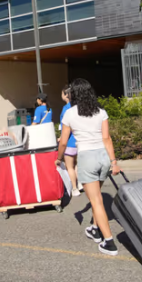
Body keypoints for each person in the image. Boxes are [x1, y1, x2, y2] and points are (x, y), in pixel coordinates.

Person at [57, 78, 121, 256]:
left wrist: (59, 158)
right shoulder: (101, 112)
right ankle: (94, 228)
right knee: (97, 196)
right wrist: (114, 162)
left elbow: (63, 142)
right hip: (103, 157)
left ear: (74, 93)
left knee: (96, 201)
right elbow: (107, 139)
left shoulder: (70, 113)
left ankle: (109, 242)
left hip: (87, 157)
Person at [59, 85, 82, 197]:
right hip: (80, 141)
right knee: (77, 164)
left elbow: (65, 127)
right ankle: (80, 183)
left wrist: (61, 138)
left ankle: (74, 188)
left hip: (70, 142)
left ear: (66, 95)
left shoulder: (66, 109)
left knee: (70, 166)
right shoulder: (80, 107)